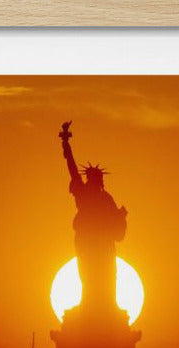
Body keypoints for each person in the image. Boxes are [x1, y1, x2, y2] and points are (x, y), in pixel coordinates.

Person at [59, 121, 127, 314]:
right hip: (88, 242)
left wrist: (121, 216)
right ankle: (90, 306)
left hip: (102, 244)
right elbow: (71, 167)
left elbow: (116, 225)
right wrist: (66, 144)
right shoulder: (84, 193)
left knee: (106, 275)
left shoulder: (106, 198)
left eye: (98, 179)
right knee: (88, 274)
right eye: (94, 179)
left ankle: (105, 307)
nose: (97, 181)